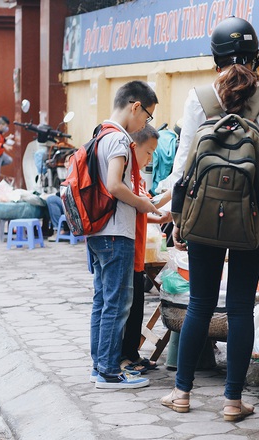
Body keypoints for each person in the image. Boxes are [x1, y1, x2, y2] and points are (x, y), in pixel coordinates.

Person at [160, 17, 259, 422]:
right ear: (257, 56)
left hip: (203, 217)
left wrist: (175, 219)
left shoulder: (198, 97)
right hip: (253, 220)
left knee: (201, 302)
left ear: (215, 58)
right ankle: (233, 402)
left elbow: (184, 168)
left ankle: (182, 393)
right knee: (239, 307)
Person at [87, 80, 161, 389]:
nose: (145, 123)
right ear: (135, 106)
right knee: (116, 304)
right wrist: (143, 203)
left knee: (103, 301)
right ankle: (108, 371)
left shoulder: (99, 134)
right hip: (116, 232)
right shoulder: (118, 140)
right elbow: (115, 185)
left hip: (99, 231)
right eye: (147, 116)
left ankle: (99, 365)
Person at [120, 124, 167, 373]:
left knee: (137, 305)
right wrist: (173, 192)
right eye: (148, 152)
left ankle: (133, 355)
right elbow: (148, 203)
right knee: (127, 309)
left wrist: (161, 217)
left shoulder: (137, 177)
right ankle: (123, 359)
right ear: (134, 147)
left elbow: (147, 209)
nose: (150, 158)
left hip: (138, 252)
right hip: (128, 250)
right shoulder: (126, 176)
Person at [45, 151, 75, 241]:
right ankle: (49, 230)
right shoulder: (69, 174)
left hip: (73, 206)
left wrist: (56, 194)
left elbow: (68, 192)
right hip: (69, 203)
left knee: (51, 200)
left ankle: (59, 230)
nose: (66, 164)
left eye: (68, 161)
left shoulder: (75, 174)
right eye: (65, 161)